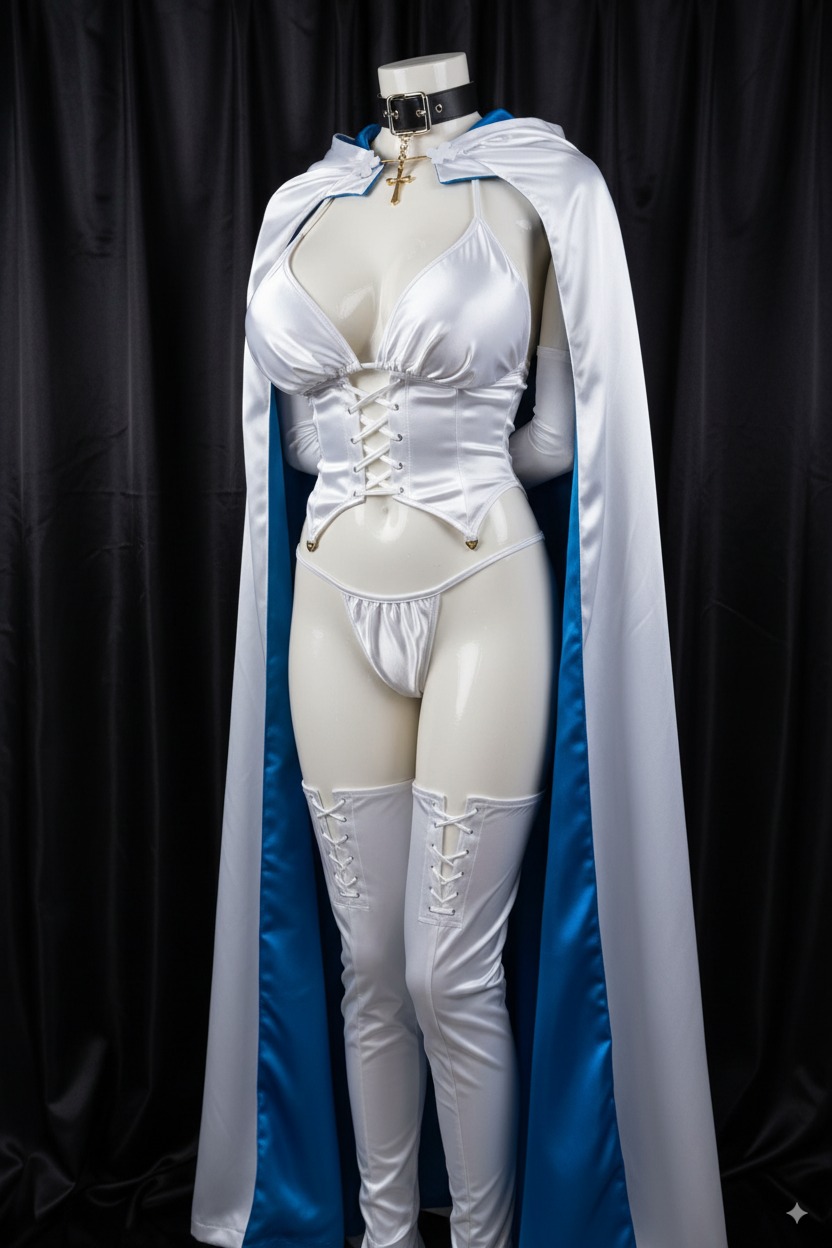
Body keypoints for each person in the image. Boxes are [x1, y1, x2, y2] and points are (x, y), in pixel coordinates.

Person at [192, 53, 728, 1248]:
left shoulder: (541, 188)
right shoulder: (300, 205)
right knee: (370, 966)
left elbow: (558, 441)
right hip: (327, 600)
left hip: (483, 590)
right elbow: (293, 443)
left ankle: (483, 1239)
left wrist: (455, 449)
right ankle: (387, 1235)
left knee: (450, 972)